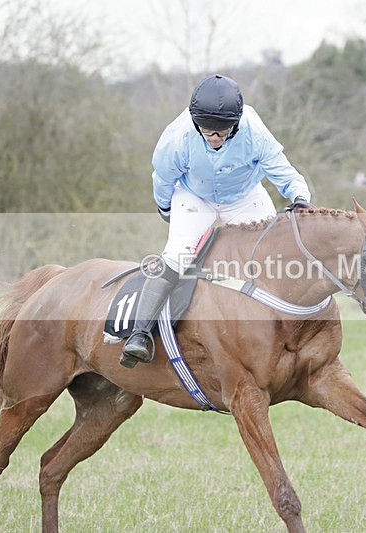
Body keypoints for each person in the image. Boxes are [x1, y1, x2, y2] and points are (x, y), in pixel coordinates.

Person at [120, 74, 312, 368]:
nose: (215, 138)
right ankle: (140, 333)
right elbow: (163, 180)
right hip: (195, 197)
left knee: (275, 254)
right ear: (196, 122)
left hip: (245, 196)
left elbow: (283, 172)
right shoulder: (177, 139)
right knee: (178, 255)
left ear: (235, 123)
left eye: (223, 132)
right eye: (208, 131)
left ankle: (292, 326)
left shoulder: (254, 132)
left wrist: (300, 198)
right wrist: (166, 209)